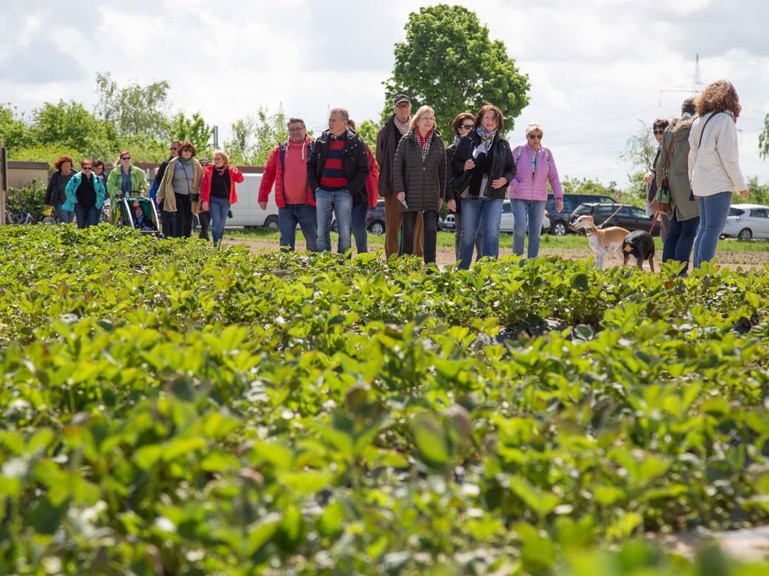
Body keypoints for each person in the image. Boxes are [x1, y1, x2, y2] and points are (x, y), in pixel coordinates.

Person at [688, 80, 748, 268]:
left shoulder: (699, 120)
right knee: (713, 230)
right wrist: (741, 185)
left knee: (704, 229)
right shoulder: (724, 120)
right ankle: (704, 275)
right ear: (732, 99)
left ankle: (698, 272)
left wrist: (693, 182)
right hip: (718, 183)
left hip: (701, 183)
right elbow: (729, 158)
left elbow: (692, 156)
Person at [451, 104, 516, 270]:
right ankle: (462, 270)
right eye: (486, 117)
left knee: (491, 234)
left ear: (498, 122)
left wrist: (505, 180)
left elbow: (511, 168)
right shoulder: (467, 141)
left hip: (494, 195)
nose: (490, 121)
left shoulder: (502, 144)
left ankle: (489, 271)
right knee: (468, 235)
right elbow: (454, 164)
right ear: (480, 119)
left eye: (493, 118)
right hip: (470, 195)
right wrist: (464, 165)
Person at [308, 107, 370, 254]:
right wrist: (315, 187)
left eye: (333, 120)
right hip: (322, 192)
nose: (330, 123)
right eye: (329, 120)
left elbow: (364, 170)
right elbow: (310, 165)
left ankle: (343, 265)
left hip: (344, 193)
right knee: (322, 232)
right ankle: (325, 264)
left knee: (344, 233)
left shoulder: (356, 142)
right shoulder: (321, 141)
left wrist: (350, 190)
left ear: (344, 122)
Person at [393, 105, 445, 264]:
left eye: (431, 118)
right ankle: (406, 265)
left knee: (430, 230)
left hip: (431, 194)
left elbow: (443, 170)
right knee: (408, 231)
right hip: (409, 193)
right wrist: (400, 190)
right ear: (417, 121)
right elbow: (397, 167)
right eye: (425, 118)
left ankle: (430, 266)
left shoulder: (438, 141)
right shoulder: (406, 140)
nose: (429, 121)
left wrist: (441, 195)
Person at [258, 118, 317, 252]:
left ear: (305, 130)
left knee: (313, 239)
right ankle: (286, 270)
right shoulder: (279, 151)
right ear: (288, 132)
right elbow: (268, 175)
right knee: (286, 242)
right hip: (286, 206)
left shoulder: (316, 148)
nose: (295, 132)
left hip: (309, 205)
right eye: (292, 129)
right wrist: (263, 196)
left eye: (298, 128)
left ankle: (316, 270)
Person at [377, 94, 423, 258]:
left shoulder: (420, 129)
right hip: (393, 186)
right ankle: (392, 263)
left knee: (417, 228)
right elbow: (381, 158)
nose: (403, 109)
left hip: (416, 187)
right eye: (399, 106)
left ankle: (415, 262)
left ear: (410, 108)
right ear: (394, 108)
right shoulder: (385, 131)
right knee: (392, 228)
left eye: (406, 106)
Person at [508, 123, 564, 259]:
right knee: (520, 228)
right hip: (518, 197)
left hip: (539, 198)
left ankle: (532, 262)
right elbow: (507, 169)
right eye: (532, 136)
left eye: (539, 136)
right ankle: (517, 260)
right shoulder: (518, 150)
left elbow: (554, 176)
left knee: (535, 232)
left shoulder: (546, 154)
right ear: (527, 136)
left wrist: (558, 197)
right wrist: (516, 185)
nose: (536, 139)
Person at [656, 98, 700, 273]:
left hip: (671, 188)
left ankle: (667, 271)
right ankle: (680, 273)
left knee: (673, 230)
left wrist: (661, 187)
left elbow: (661, 165)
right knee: (688, 232)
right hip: (689, 186)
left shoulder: (669, 130)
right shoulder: (695, 127)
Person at [446, 112, 482, 261]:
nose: (471, 130)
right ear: (459, 129)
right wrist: (450, 198)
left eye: (473, 127)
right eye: (467, 126)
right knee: (461, 232)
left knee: (480, 232)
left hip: (478, 196)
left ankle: (481, 266)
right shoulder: (451, 150)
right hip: (459, 198)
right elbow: (447, 177)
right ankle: (460, 266)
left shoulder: (481, 146)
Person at [157, 141, 204, 238]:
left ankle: (186, 240)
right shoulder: (173, 163)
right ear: (181, 151)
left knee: (189, 218)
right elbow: (165, 179)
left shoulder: (196, 164)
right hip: (177, 194)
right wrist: (160, 194)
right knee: (180, 217)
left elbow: (201, 180)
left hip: (192, 195)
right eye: (185, 150)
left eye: (190, 151)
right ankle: (177, 240)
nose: (187, 152)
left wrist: (204, 196)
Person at [348, 118, 380, 254]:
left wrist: (371, 184)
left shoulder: (363, 146)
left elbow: (373, 167)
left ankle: (363, 257)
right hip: (341, 193)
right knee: (344, 230)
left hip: (360, 194)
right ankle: (344, 260)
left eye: (350, 129)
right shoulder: (333, 145)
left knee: (359, 227)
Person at [200, 150, 244, 246]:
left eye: (218, 159)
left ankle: (219, 243)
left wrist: (238, 173)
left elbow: (240, 180)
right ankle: (216, 244)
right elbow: (204, 187)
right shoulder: (209, 171)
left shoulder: (231, 170)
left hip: (226, 201)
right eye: (214, 159)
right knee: (216, 222)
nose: (215, 161)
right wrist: (204, 200)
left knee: (221, 224)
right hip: (213, 200)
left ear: (224, 160)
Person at [644, 118, 671, 239]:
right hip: (661, 194)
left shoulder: (668, 147)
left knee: (668, 230)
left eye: (661, 131)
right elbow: (656, 168)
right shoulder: (660, 148)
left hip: (667, 194)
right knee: (665, 229)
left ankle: (670, 257)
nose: (658, 135)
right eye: (655, 132)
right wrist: (651, 173)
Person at [62, 160, 106, 229]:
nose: (87, 170)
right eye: (85, 168)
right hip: (80, 206)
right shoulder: (76, 178)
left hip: (93, 206)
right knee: (81, 226)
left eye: (89, 168)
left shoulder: (97, 178)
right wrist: (74, 200)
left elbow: (102, 191)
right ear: (82, 168)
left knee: (92, 227)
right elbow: (68, 189)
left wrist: (98, 202)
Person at [154, 140, 181, 236]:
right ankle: (167, 241)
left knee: (178, 220)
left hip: (180, 196)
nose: (173, 151)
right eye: (171, 149)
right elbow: (158, 179)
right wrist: (165, 190)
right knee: (167, 220)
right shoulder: (166, 164)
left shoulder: (185, 163)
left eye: (175, 148)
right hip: (167, 197)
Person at [44, 155, 76, 224]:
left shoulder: (75, 175)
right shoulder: (56, 176)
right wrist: (46, 203)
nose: (66, 168)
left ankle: (68, 234)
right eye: (64, 167)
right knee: (64, 219)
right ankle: (63, 233)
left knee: (70, 221)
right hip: (60, 201)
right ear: (60, 167)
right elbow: (49, 189)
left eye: (68, 166)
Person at [197, 157, 211, 241]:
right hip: (200, 201)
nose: (204, 166)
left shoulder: (211, 175)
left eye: (206, 164)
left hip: (209, 201)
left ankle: (201, 238)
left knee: (207, 222)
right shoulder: (197, 175)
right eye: (202, 165)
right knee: (204, 223)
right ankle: (207, 239)